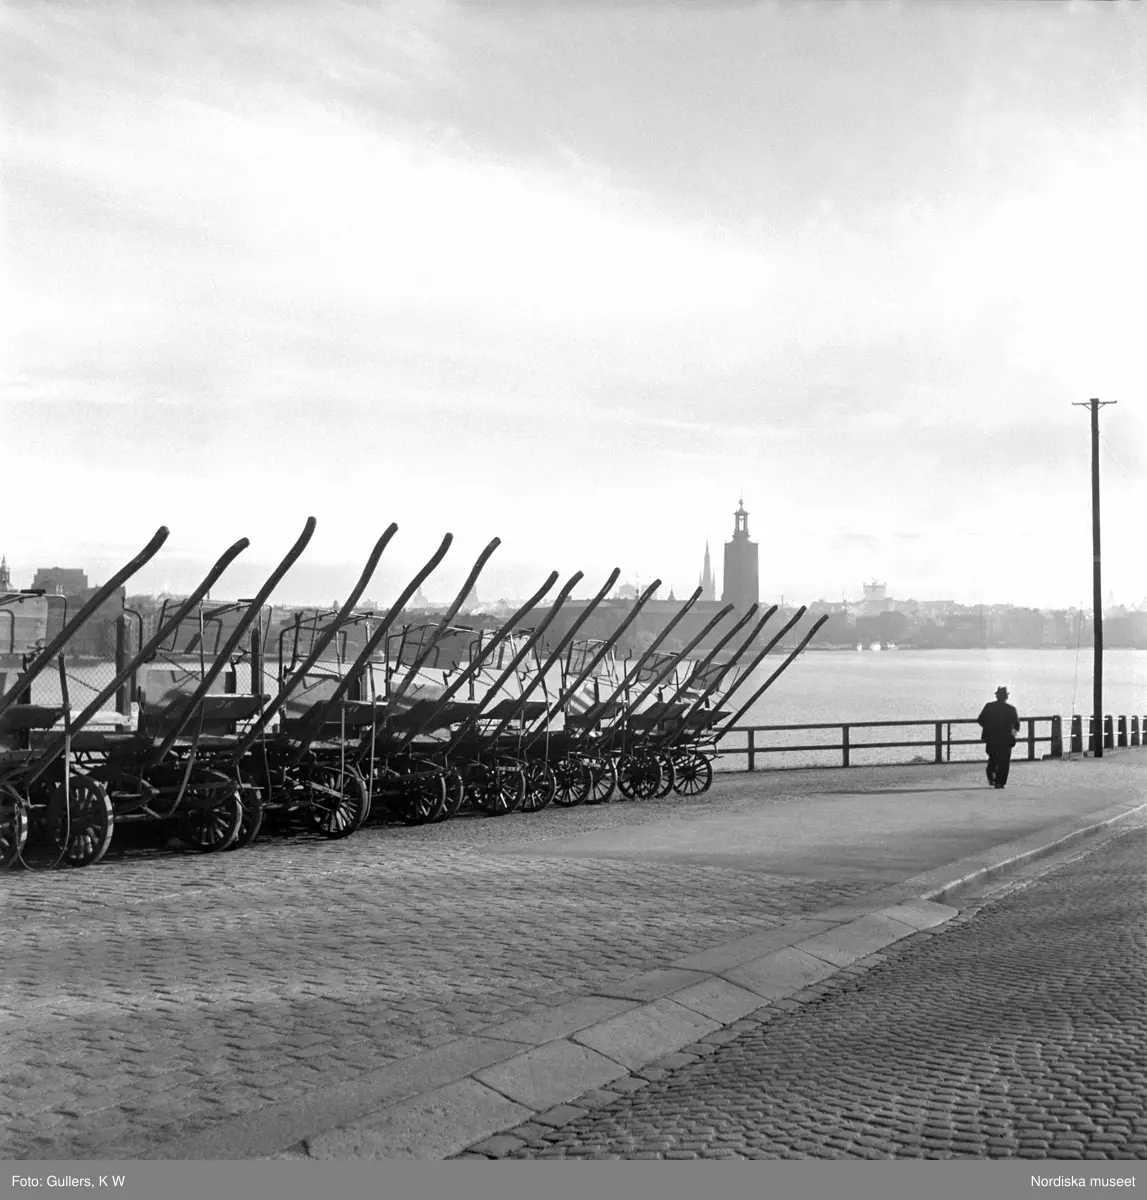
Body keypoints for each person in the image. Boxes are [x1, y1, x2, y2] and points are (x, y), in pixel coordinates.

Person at [978, 686, 1021, 789]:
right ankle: (1000, 782)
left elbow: (980, 719)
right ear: (1006, 697)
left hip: (991, 737)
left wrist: (988, 727)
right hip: (1006, 739)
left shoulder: (989, 706)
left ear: (997, 696)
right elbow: (1017, 726)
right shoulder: (1011, 709)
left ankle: (991, 775)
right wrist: (1012, 734)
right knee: (1004, 761)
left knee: (993, 757)